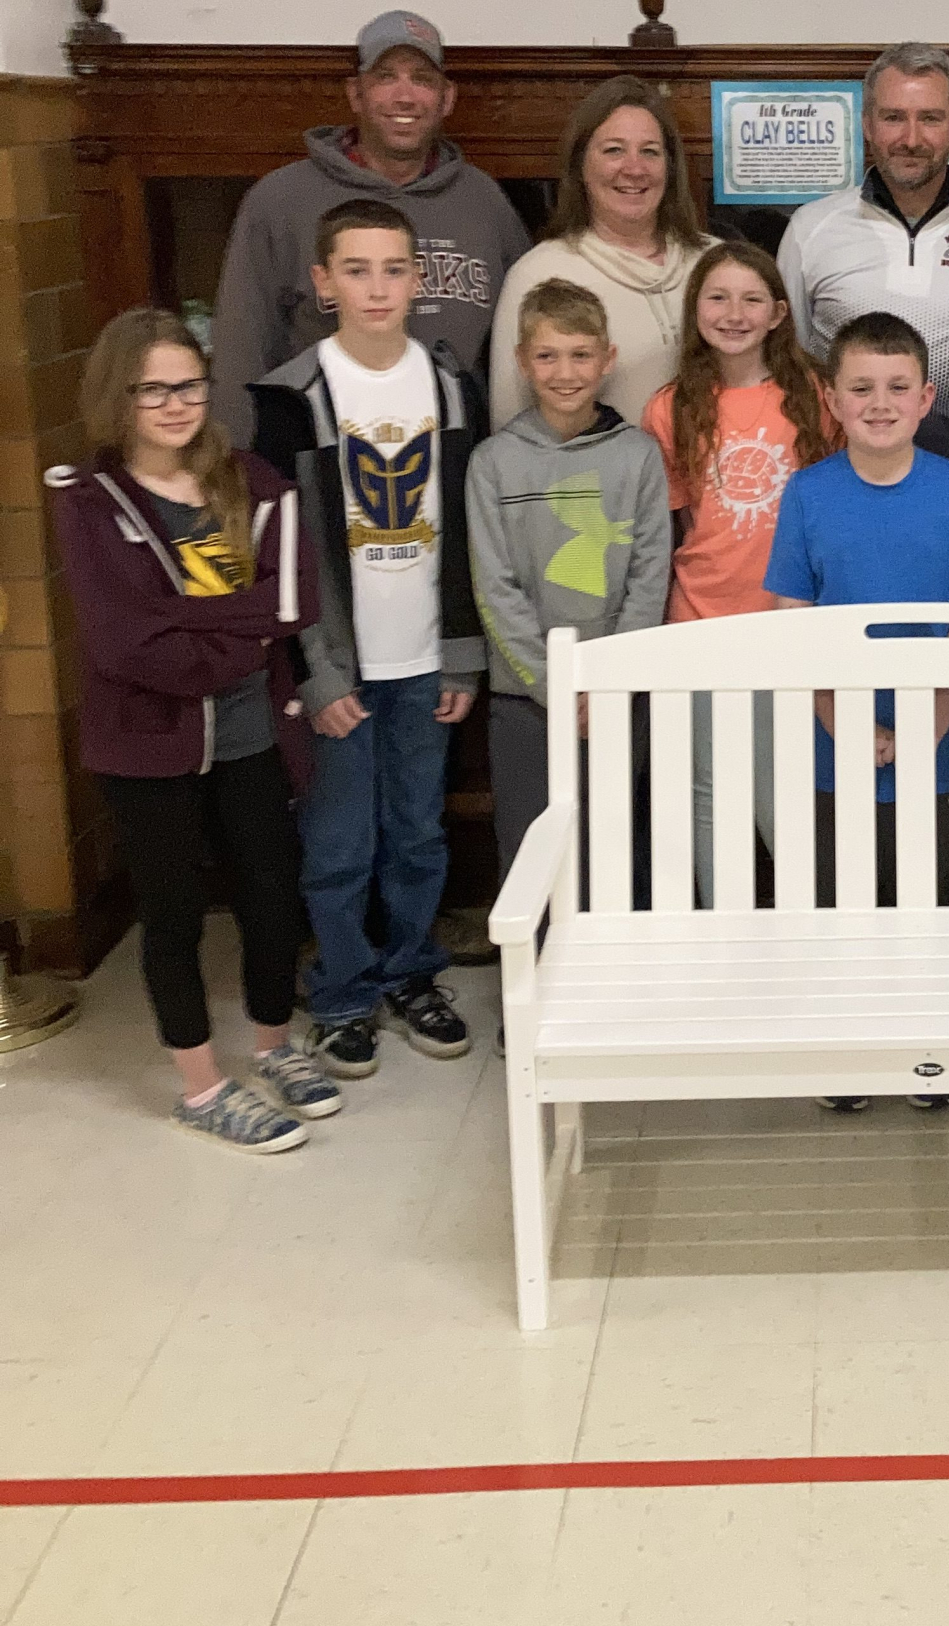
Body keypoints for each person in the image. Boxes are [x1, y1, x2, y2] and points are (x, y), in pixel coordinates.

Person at [48, 310, 331, 1153]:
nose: (176, 405)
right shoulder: (92, 501)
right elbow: (123, 639)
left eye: (190, 386)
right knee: (171, 914)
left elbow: (292, 603)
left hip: (251, 732)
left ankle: (274, 1046)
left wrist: (195, 622)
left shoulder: (249, 482)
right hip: (147, 742)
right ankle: (202, 1087)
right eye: (154, 389)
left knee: (273, 894)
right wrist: (233, 634)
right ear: (120, 396)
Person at [250, 198, 486, 1081]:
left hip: (428, 655)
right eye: (357, 269)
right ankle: (344, 990)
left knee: (419, 831)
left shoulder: (449, 383)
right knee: (342, 838)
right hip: (341, 665)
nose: (377, 288)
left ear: (419, 280)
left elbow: (466, 526)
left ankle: (412, 972)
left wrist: (463, 649)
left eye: (394, 269)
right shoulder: (290, 394)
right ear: (323, 282)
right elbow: (283, 550)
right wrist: (314, 668)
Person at [765, 310, 949, 1110]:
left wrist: (928, 728)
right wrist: (849, 725)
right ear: (830, 398)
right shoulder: (807, 492)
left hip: (939, 745)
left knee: (926, 905)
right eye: (861, 387)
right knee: (843, 904)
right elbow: (792, 621)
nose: (879, 402)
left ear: (928, 397)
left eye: (898, 386)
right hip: (834, 750)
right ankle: (850, 1049)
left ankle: (924, 1051)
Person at [212, 11, 528, 444]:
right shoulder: (281, 201)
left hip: (455, 460)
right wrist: (238, 470)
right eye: (385, 77)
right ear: (355, 94)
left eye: (422, 78)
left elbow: (522, 344)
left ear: (447, 98)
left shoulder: (484, 202)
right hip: (322, 457)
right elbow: (240, 350)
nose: (405, 96)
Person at [640, 242, 838, 900]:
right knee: (706, 790)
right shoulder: (669, 407)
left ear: (780, 312)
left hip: (788, 621)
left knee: (783, 787)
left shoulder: (813, 395)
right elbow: (673, 522)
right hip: (701, 618)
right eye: (717, 297)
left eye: (752, 298)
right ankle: (720, 938)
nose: (734, 312)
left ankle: (807, 935)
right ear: (695, 309)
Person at [467, 279, 672, 885]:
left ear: (607, 360)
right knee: (531, 845)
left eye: (581, 355)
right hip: (524, 696)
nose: (565, 372)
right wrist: (553, 685)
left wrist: (604, 684)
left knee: (611, 839)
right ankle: (534, 972)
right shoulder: (493, 461)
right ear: (522, 362)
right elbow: (493, 585)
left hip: (614, 694)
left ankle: (613, 975)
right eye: (548, 356)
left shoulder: (637, 455)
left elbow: (649, 575)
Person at [778, 44, 949, 489]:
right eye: (893, 117)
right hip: (838, 490)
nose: (911, 138)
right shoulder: (810, 229)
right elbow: (785, 375)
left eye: (931, 118)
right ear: (867, 124)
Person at [492, 79, 715, 432]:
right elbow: (511, 427)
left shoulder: (717, 264)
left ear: (671, 168)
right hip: (593, 485)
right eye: (614, 150)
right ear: (580, 166)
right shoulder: (538, 273)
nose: (634, 168)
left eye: (650, 151)